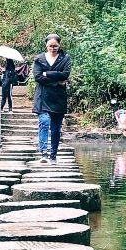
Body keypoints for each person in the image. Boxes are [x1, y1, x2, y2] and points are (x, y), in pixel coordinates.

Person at [32, 33, 71, 163]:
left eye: (55, 46)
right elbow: (38, 77)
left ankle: (53, 155)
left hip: (59, 98)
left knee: (55, 129)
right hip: (43, 97)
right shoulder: (39, 59)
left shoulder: (65, 58)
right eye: (50, 46)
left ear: (59, 45)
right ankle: (43, 153)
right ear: (46, 45)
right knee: (44, 122)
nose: (52, 48)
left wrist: (47, 73)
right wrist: (56, 81)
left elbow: (65, 75)